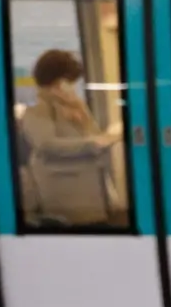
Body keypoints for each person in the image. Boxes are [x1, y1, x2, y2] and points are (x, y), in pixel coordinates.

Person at [17, 49, 122, 229]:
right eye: (67, 82)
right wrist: (92, 144)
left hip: (92, 194)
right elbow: (47, 144)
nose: (71, 88)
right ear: (54, 82)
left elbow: (94, 134)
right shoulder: (36, 112)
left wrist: (82, 112)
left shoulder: (73, 108)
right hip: (65, 196)